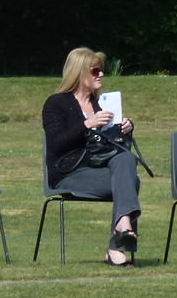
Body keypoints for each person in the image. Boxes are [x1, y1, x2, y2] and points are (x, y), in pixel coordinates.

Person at [42, 47, 141, 267]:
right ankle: (118, 243)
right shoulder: (56, 103)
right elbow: (57, 143)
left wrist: (125, 128)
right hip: (68, 172)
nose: (101, 74)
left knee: (127, 160)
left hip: (99, 168)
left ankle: (121, 229)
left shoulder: (101, 103)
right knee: (130, 182)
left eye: (101, 70)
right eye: (95, 70)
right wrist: (87, 124)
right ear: (79, 72)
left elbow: (112, 146)